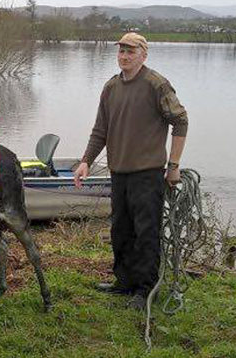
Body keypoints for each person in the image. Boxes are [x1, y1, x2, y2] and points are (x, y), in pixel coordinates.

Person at [74, 33, 188, 310]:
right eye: (121, 51)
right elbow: (101, 129)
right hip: (119, 171)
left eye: (131, 52)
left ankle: (145, 289)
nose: (124, 56)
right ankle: (123, 282)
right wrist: (86, 160)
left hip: (148, 173)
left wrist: (173, 166)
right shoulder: (111, 87)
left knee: (145, 232)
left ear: (143, 55)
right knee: (120, 230)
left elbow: (181, 121)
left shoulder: (156, 85)